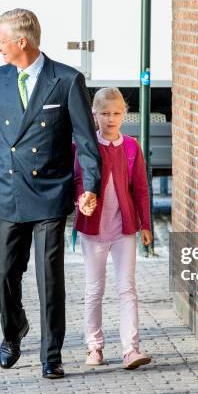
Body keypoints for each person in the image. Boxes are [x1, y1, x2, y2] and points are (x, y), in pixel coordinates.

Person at [0, 8, 101, 378]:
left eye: (0, 40)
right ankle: (13, 333)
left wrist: (89, 186)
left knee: (49, 277)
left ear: (21, 42)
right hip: (8, 192)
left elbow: (85, 141)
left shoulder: (65, 79)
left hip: (48, 193)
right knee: (2, 272)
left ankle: (52, 354)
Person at [74, 87, 153, 369]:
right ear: (94, 115)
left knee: (127, 288)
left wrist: (146, 224)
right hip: (93, 230)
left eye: (117, 113)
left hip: (124, 229)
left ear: (125, 114)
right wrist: (80, 201)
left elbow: (141, 189)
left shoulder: (131, 146)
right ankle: (94, 348)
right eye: (105, 113)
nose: (111, 119)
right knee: (94, 289)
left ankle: (131, 349)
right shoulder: (85, 146)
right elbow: (76, 182)